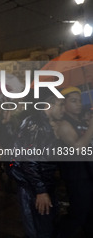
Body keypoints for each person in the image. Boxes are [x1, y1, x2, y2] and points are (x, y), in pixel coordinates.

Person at [11, 94, 65, 238]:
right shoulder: (35, 124)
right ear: (49, 105)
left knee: (48, 226)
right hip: (32, 187)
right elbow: (29, 159)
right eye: (61, 105)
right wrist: (40, 190)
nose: (63, 109)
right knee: (40, 230)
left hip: (41, 184)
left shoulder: (46, 123)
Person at [57, 86, 93, 238]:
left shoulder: (81, 120)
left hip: (88, 173)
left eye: (79, 101)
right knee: (78, 214)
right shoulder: (63, 124)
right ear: (64, 105)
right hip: (77, 176)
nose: (78, 104)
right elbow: (78, 147)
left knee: (89, 212)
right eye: (73, 101)